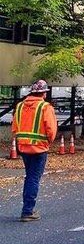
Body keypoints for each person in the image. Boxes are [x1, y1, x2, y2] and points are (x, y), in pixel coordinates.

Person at [12, 79, 57, 221]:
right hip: (39, 148)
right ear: (43, 93)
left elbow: (14, 128)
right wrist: (49, 141)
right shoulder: (45, 107)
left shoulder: (20, 106)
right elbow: (51, 129)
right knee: (33, 178)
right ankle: (27, 211)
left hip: (23, 147)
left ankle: (27, 208)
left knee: (29, 177)